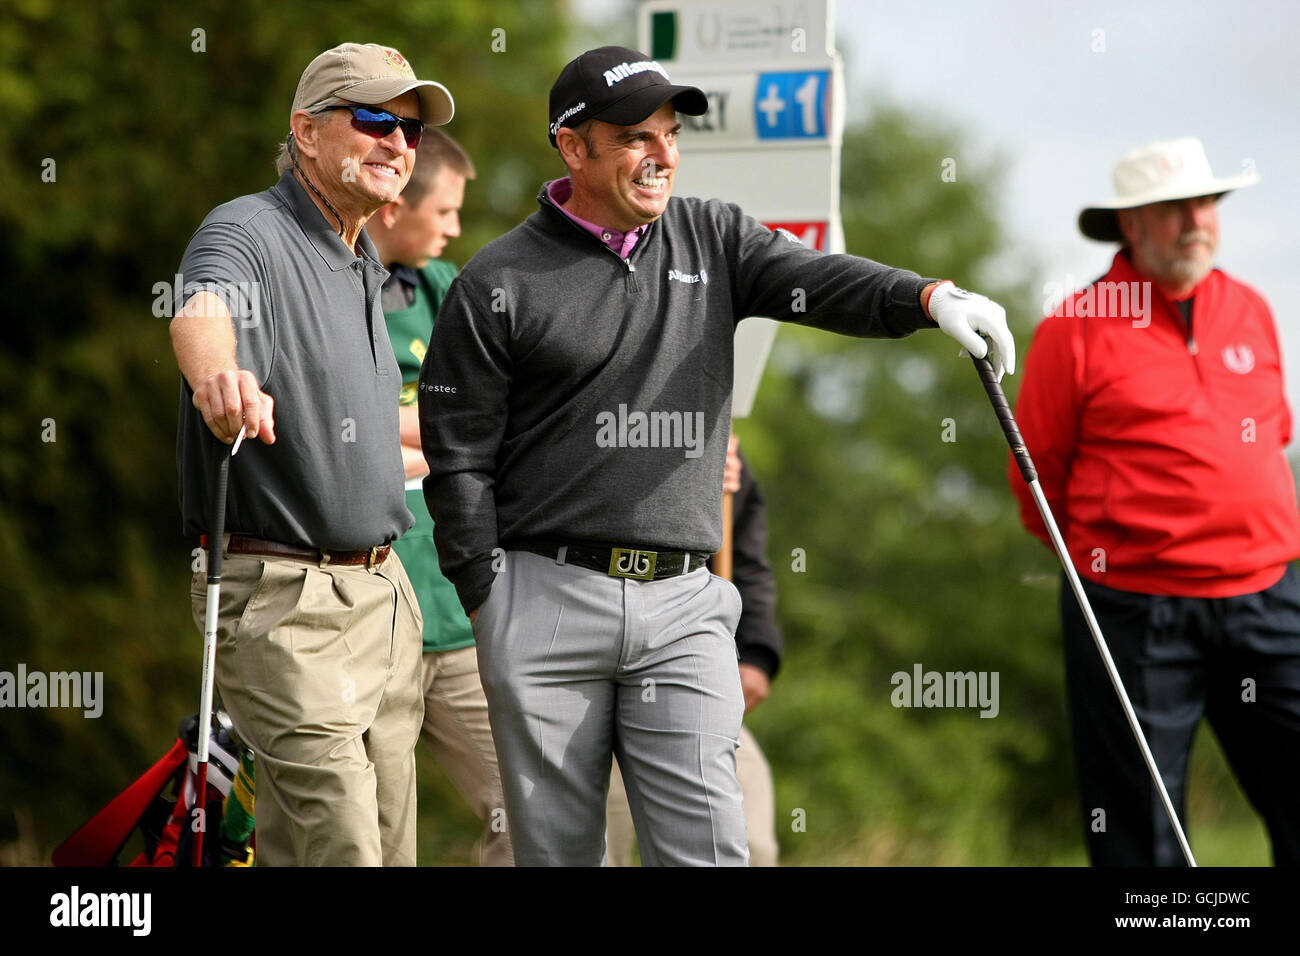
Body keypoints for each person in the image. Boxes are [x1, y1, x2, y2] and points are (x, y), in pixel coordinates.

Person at [418, 45, 1015, 866]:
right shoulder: (497, 280)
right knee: (556, 856)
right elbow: (459, 461)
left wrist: (925, 297)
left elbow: (820, 279)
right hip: (545, 597)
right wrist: (490, 599)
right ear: (573, 145)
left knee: (711, 849)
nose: (662, 154)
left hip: (684, 606)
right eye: (635, 137)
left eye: (670, 133)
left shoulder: (714, 237)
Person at [171, 42, 454, 866]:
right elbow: (202, 304)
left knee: (370, 851)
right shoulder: (250, 227)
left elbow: (359, 433)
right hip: (287, 600)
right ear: (305, 131)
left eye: (410, 131)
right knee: (347, 847)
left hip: (385, 595)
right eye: (374, 120)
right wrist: (219, 381)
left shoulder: (362, 255)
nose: (398, 143)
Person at [1009, 137, 1300, 866]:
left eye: (1205, 202)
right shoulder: (1073, 328)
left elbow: (1273, 436)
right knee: (1142, 831)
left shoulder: (1254, 311)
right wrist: (1124, 561)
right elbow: (1035, 481)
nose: (1196, 219)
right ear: (1131, 226)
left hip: (1269, 597)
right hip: (1134, 612)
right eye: (1174, 208)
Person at [366, 129, 514, 865]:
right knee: (376, 838)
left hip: (458, 616)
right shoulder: (327, 285)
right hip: (367, 623)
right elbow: (327, 427)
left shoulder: (447, 288)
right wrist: (440, 434)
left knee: (532, 811)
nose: (456, 229)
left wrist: (403, 433)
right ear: (394, 205)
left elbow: (494, 425)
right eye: (448, 211)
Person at [606, 436, 782, 866]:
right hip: (587, 665)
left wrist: (757, 653)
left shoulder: (727, 451)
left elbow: (748, 563)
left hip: (693, 666)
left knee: (753, 846)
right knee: (602, 846)